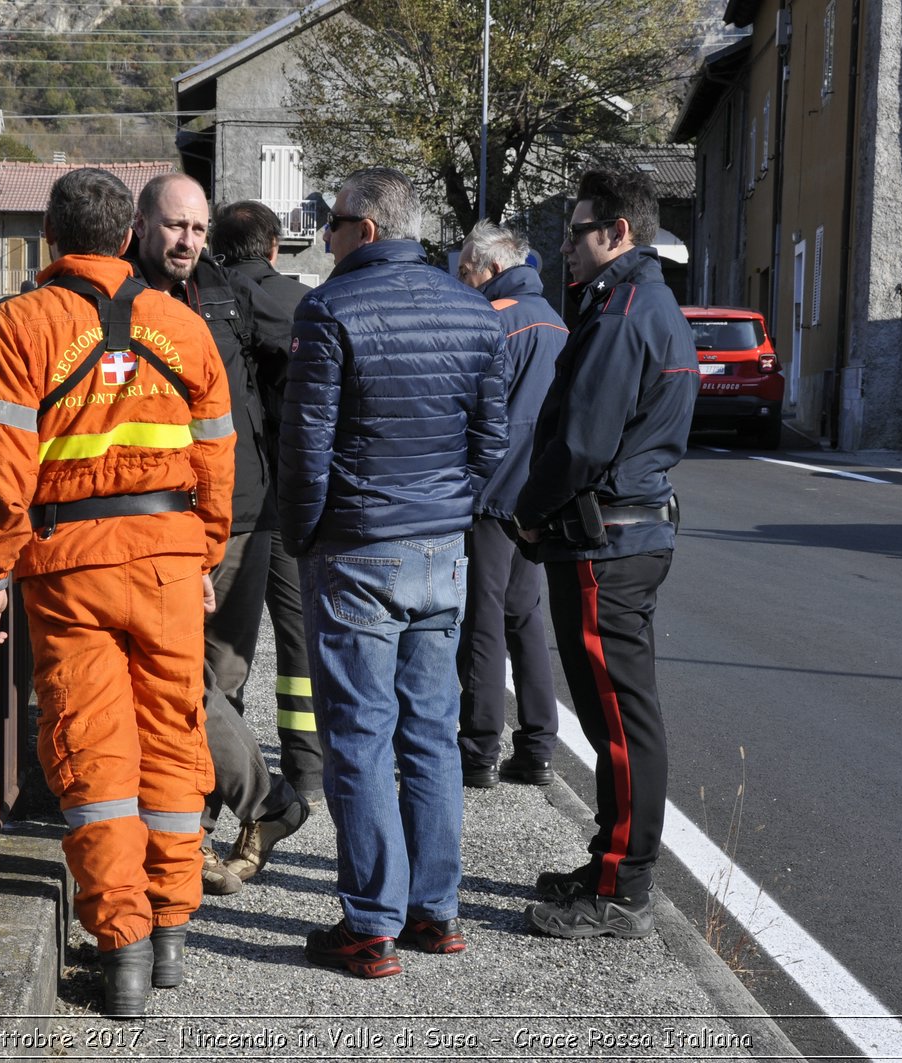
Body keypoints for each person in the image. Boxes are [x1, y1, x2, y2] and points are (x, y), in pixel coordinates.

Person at [0, 167, 235, 1018]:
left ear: (49, 238)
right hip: (167, 558)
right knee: (172, 742)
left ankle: (120, 950)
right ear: (128, 237)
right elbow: (216, 457)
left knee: (94, 759)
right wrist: (203, 554)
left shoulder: (18, 324)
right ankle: (170, 935)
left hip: (69, 567)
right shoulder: (184, 327)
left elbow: (6, 467)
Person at [279, 167, 508, 978]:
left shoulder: (331, 308)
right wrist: (452, 508)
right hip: (440, 547)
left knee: (361, 738)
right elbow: (492, 440)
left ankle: (371, 924)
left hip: (360, 546)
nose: (326, 235)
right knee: (430, 734)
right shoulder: (474, 311)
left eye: (332, 222)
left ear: (366, 229)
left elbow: (307, 451)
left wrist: (303, 537)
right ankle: (435, 911)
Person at [513, 169, 698, 940]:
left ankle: (622, 885)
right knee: (610, 712)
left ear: (618, 231)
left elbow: (583, 442)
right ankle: (611, 861)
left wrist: (525, 511)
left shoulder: (624, 311)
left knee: (619, 718)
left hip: (606, 539)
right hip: (620, 534)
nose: (566, 243)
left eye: (577, 228)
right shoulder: (636, 300)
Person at [128, 174, 310, 893]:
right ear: (142, 224)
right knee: (183, 680)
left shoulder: (230, 292)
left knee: (216, 681)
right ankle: (247, 809)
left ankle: (198, 829)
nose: (187, 241)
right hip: (158, 522)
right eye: (175, 227)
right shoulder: (119, 294)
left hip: (240, 516)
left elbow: (313, 336)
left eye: (198, 230)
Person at [209, 199, 325, 807]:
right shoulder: (303, 303)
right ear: (275, 247)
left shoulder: (205, 301)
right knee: (299, 634)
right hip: (293, 496)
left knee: (225, 645)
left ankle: (221, 765)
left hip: (235, 494)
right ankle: (306, 768)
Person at [453, 221, 567, 789]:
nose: (462, 282)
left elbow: (468, 413)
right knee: (524, 616)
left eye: (466, 272)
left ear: (492, 270)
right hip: (538, 493)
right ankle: (539, 747)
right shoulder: (559, 324)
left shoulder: (493, 322)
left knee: (483, 620)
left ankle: (478, 751)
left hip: (490, 493)